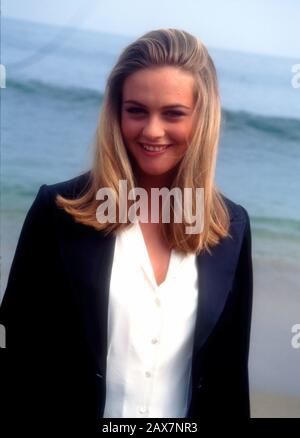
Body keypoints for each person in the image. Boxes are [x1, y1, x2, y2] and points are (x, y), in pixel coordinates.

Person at [0, 28, 253, 430]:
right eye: (136, 110)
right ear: (116, 113)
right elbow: (20, 355)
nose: (152, 130)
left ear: (202, 118)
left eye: (173, 113)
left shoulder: (231, 228)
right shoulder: (58, 212)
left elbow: (227, 376)